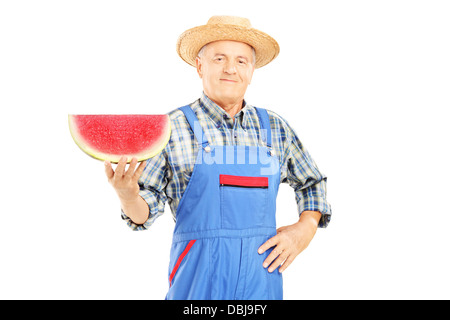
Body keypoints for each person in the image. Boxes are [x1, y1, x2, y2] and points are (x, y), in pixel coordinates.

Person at [104, 16, 331, 300]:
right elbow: (144, 213)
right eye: (219, 58)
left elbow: (312, 182)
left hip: (261, 289)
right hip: (196, 291)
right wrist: (127, 196)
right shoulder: (172, 128)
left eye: (241, 61)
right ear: (200, 66)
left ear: (251, 71)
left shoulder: (275, 128)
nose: (230, 69)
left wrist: (305, 228)